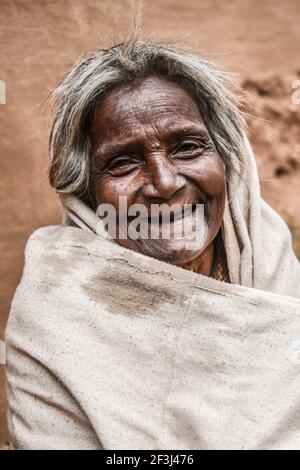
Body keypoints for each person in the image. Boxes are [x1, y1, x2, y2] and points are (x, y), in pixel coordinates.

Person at [5, 41, 300, 450]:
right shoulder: (55, 318)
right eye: (123, 162)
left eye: (187, 147)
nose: (165, 183)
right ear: (87, 197)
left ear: (229, 163)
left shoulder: (270, 263)